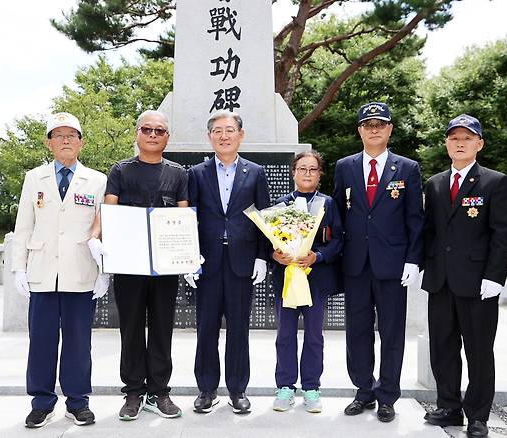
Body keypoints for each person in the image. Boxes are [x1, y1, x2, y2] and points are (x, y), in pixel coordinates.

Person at [11, 112, 109, 428]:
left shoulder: (97, 180)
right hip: (42, 272)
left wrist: (106, 271)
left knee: (79, 343)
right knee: (41, 341)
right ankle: (41, 402)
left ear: (81, 142)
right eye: (59, 135)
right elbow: (24, 226)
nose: (65, 140)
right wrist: (18, 268)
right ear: (49, 143)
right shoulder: (34, 178)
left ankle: (78, 402)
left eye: (71, 135)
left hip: (81, 272)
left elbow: (103, 226)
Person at [90, 110, 188, 420]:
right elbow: (108, 209)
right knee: (130, 327)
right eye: (147, 129)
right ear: (137, 133)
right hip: (128, 263)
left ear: (167, 138)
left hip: (164, 264)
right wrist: (95, 238)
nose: (153, 135)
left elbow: (184, 215)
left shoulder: (177, 173)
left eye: (160, 131)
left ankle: (160, 391)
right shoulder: (121, 170)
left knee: (162, 327)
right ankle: (133, 391)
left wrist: (189, 254)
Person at [421, 114, 507, 438]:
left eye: (467, 137)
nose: (460, 143)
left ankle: (477, 415)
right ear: (446, 144)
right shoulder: (434, 183)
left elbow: (502, 234)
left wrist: (495, 277)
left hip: (478, 283)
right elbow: (428, 231)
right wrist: (414, 263)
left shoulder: (494, 182)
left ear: (479, 143)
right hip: (441, 280)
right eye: (454, 137)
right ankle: (448, 405)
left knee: (478, 350)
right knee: (443, 347)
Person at [333, 102, 424, 422]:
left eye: (380, 124)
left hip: (392, 266)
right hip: (356, 265)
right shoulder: (344, 166)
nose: (374, 129)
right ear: (359, 130)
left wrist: (414, 260)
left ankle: (387, 395)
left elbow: (415, 219)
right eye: (368, 124)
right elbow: (339, 217)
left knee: (392, 332)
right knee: (357, 331)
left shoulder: (408, 168)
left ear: (389, 129)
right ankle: (363, 390)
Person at [187, 109, 271, 414]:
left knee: (239, 327)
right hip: (207, 261)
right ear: (210, 137)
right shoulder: (196, 173)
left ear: (241, 135)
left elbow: (264, 218)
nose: (224, 136)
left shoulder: (255, 172)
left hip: (242, 261)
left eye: (229, 130)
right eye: (217, 131)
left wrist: (262, 257)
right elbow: (189, 218)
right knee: (206, 327)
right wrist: (188, 258)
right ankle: (206, 389)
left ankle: (238, 389)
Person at [270, 151, 343, 414]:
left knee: (314, 336)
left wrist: (318, 256)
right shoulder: (280, 204)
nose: (307, 174)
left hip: (316, 280)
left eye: (313, 169)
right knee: (285, 335)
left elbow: (337, 241)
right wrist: (276, 255)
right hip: (287, 279)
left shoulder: (328, 204)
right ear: (294, 172)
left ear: (320, 174)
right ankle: (285, 386)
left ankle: (311, 387)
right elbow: (269, 242)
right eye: (302, 169)